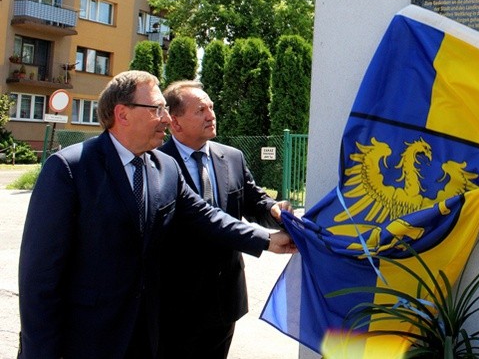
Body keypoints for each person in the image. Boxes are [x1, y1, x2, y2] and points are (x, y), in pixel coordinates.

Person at [17, 71, 296, 359]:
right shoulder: (69, 168)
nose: (166, 118)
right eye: (157, 109)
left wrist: (267, 240)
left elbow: (207, 217)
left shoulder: (165, 168)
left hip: (148, 334)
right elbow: (39, 278)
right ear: (122, 114)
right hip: (87, 337)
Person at [158, 80, 292, 359]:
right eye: (200, 110)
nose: (211, 115)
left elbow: (254, 202)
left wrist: (274, 210)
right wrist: (266, 241)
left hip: (224, 299)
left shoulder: (231, 157)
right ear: (175, 122)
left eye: (211, 107)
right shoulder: (156, 162)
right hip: (174, 303)